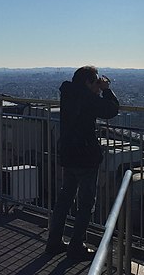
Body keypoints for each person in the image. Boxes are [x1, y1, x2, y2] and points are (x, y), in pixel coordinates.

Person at [48, 67, 123, 253]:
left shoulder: (68, 93)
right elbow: (111, 109)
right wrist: (106, 89)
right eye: (95, 82)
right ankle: (76, 245)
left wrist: (98, 88)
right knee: (86, 202)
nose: (98, 86)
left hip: (68, 152)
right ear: (87, 82)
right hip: (85, 155)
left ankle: (53, 241)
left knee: (65, 199)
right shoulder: (86, 97)